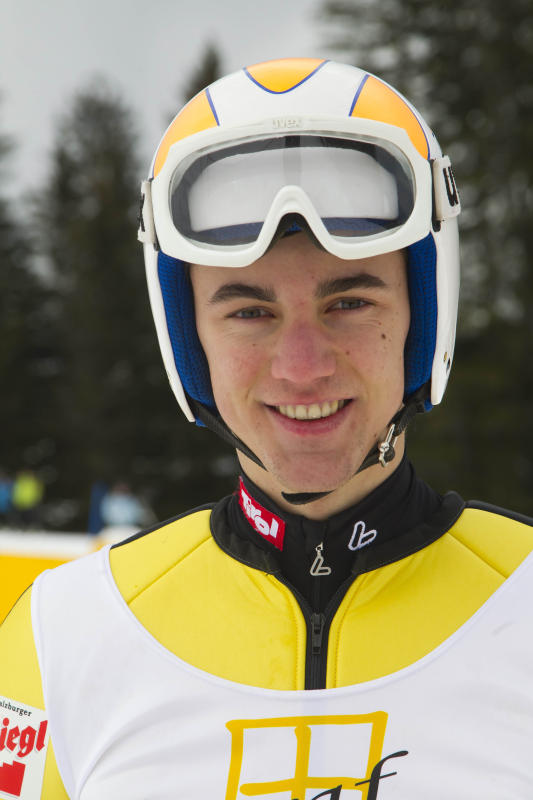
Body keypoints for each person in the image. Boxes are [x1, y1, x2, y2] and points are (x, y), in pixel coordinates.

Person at [1, 57, 532, 799]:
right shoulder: (64, 636)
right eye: (250, 312)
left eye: (349, 303)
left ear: (422, 319)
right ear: (190, 340)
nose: (301, 367)